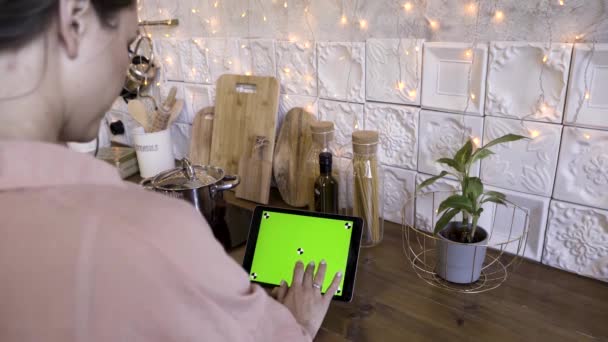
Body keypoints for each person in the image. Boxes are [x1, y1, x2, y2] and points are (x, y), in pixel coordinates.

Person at [0, 1, 341, 341]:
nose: (125, 67)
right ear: (74, 19)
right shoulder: (148, 234)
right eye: (128, 44)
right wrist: (298, 324)